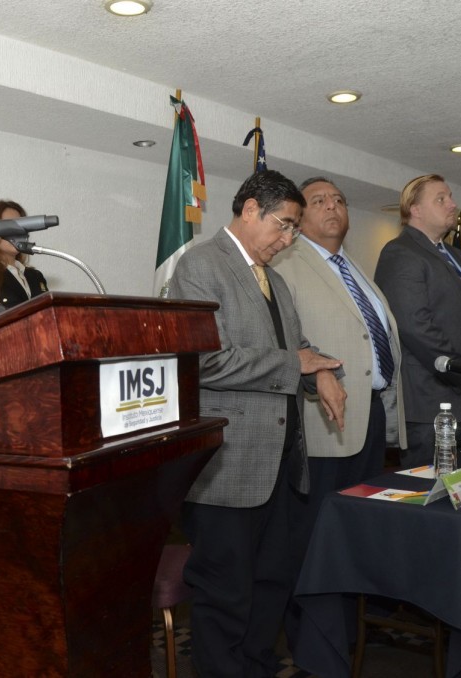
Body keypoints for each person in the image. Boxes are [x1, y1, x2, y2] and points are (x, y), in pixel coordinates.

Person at [169, 169, 346, 677]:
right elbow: (204, 361)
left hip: (282, 464)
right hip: (228, 469)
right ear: (250, 210)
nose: (289, 239)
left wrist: (322, 374)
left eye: (295, 229)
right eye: (285, 225)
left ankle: (257, 667)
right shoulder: (200, 266)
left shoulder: (279, 283)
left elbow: (296, 352)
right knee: (225, 595)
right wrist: (300, 365)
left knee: (271, 584)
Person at [272, 176, 406, 661]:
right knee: (317, 541)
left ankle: (348, 632)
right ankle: (314, 646)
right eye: (318, 201)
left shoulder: (353, 267)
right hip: (321, 426)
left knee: (355, 536)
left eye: (339, 200)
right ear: (297, 215)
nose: (333, 207)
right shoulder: (286, 264)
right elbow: (285, 338)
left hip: (366, 423)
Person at [375, 174, 461, 466]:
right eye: (441, 199)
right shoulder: (400, 252)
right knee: (430, 496)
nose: (452, 204)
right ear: (415, 210)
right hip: (429, 403)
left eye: (451, 197)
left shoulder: (460, 258)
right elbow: (416, 327)